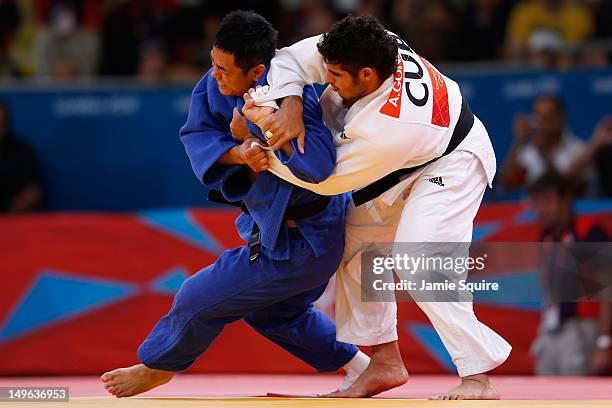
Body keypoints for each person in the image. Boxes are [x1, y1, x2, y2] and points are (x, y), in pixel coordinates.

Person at [100, 10, 369, 398]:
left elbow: (316, 168)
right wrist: (240, 154)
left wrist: (257, 131)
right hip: (272, 230)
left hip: (308, 236)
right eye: (213, 62)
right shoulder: (214, 85)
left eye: (224, 68)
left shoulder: (297, 94)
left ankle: (159, 366)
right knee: (273, 314)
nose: (215, 74)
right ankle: (361, 366)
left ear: (258, 69)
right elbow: (198, 135)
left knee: (197, 294)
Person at [245, 15, 511, 400]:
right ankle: (384, 362)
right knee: (355, 243)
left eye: (335, 75)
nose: (328, 80)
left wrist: (265, 149)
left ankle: (478, 376)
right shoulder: (366, 44)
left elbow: (326, 179)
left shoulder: (390, 124)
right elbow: (288, 59)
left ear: (367, 76)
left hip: (453, 161)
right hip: (410, 160)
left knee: (419, 260)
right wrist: (287, 106)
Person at [527, 172, 611, 375]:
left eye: (547, 201)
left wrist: (603, 342)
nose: (541, 210)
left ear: (566, 200)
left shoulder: (588, 232)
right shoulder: (546, 237)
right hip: (552, 327)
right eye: (536, 203)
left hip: (582, 329)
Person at [502, 94, 585, 191]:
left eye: (547, 117)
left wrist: (543, 154)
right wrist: (519, 141)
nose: (542, 124)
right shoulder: (528, 151)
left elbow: (563, 189)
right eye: (538, 117)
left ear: (561, 118)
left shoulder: (579, 150)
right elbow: (506, 184)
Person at [0, 100, 43, 213]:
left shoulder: (21, 151)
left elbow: (34, 190)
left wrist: (20, 204)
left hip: (14, 216)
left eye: (1, 123)